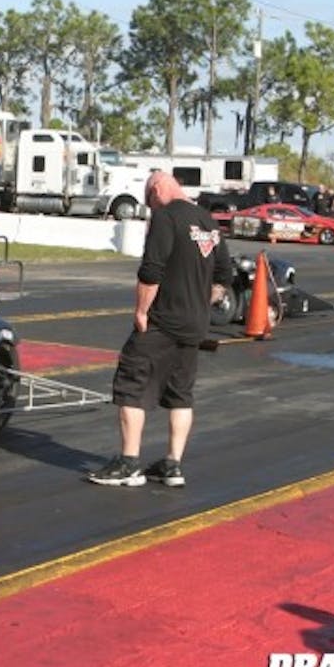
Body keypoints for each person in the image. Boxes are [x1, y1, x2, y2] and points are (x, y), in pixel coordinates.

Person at [89, 170, 232, 489]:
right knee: (181, 393)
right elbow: (224, 274)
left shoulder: (166, 218)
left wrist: (141, 311)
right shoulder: (207, 221)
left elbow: (152, 270)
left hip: (163, 320)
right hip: (195, 324)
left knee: (131, 382)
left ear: (156, 191)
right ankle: (172, 464)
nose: (150, 208)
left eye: (148, 202)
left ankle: (128, 463)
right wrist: (201, 301)